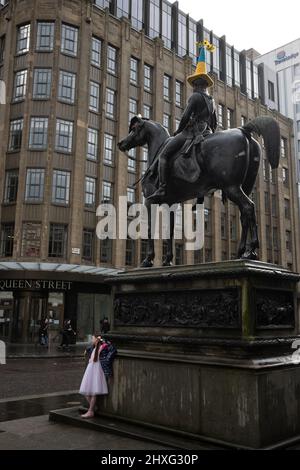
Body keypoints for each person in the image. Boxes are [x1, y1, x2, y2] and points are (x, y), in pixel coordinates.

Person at [148, 40, 217, 203]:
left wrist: (178, 132)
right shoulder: (212, 101)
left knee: (164, 156)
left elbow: (186, 116)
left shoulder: (195, 96)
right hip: (207, 132)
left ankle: (163, 187)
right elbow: (214, 123)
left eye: (194, 83)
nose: (193, 86)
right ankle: (201, 193)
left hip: (190, 133)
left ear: (198, 83)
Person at [79, 334, 108, 418]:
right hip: (91, 369)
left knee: (94, 392)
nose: (92, 340)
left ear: (96, 339)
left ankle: (90, 411)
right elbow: (90, 348)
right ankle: (92, 407)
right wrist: (87, 350)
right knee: (86, 390)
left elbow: (106, 345)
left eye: (93, 338)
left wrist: (101, 341)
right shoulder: (94, 347)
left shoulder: (101, 347)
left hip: (96, 370)